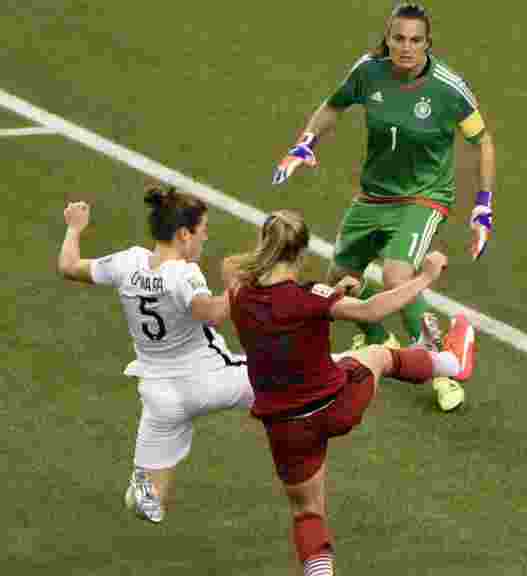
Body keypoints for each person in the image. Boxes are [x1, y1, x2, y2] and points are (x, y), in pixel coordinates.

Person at [271, 2, 496, 412]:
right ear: (387, 38)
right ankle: (377, 338)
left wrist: (483, 204)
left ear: (428, 43)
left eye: (415, 40)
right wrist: (306, 142)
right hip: (374, 195)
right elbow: (333, 105)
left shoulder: (448, 88)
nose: (406, 47)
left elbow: (481, 140)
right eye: (398, 39)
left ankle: (441, 368)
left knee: (397, 275)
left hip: (423, 197)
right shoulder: (368, 71)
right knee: (340, 278)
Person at [225, 209, 475, 576]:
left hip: (286, 427)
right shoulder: (310, 297)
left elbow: (263, 296)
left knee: (308, 513)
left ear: (265, 244)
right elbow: (372, 311)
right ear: (301, 254)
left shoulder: (239, 296)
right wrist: (425, 277)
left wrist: (328, 297)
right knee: (376, 356)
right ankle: (451, 363)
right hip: (337, 404)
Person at [56, 183, 254, 524]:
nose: (205, 239)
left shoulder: (126, 263)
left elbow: (69, 266)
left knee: (151, 501)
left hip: (161, 396)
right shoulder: (182, 273)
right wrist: (238, 284)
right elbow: (213, 314)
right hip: (212, 380)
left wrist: (74, 228)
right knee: (296, 373)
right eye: (202, 232)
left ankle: (143, 492)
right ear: (183, 234)